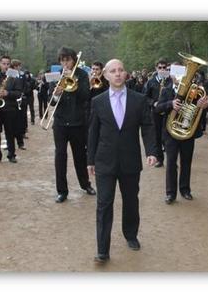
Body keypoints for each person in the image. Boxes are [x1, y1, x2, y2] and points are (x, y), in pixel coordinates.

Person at [86, 59, 160, 264]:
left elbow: (147, 126)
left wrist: (152, 151)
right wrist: (90, 160)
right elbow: (93, 132)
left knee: (131, 200)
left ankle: (131, 234)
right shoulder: (97, 101)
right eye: (113, 71)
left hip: (130, 160)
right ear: (106, 76)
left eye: (120, 70)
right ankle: (102, 249)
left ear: (125, 74)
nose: (117, 74)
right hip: (104, 161)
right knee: (104, 204)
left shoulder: (139, 99)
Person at [153, 61, 208, 205]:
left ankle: (185, 190)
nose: (177, 76)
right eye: (175, 72)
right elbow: (158, 108)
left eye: (181, 72)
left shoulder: (195, 90)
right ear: (171, 74)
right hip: (171, 132)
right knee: (171, 162)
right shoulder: (166, 90)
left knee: (186, 161)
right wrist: (170, 105)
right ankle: (170, 193)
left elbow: (201, 111)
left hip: (187, 132)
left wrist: (203, 106)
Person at [50, 48, 96, 203]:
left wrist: (72, 83)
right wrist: (56, 94)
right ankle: (62, 191)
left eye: (68, 60)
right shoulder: (56, 76)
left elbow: (85, 96)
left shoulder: (82, 75)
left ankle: (85, 184)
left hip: (78, 122)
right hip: (60, 122)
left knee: (80, 155)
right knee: (60, 156)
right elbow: (51, 102)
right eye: (62, 60)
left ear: (73, 60)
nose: (65, 63)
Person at [0, 55, 24, 164]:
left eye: (7, 64)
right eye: (3, 63)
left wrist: (7, 93)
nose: (5, 66)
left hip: (10, 109)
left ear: (10, 65)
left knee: (10, 133)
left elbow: (19, 93)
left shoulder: (15, 77)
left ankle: (11, 155)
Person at [142, 60, 173, 167]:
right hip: (155, 112)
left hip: (169, 112)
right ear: (156, 68)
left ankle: (171, 160)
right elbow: (145, 97)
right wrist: (153, 103)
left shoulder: (171, 80)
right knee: (157, 137)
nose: (162, 69)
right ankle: (160, 159)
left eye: (164, 67)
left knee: (169, 137)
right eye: (160, 67)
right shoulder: (151, 82)